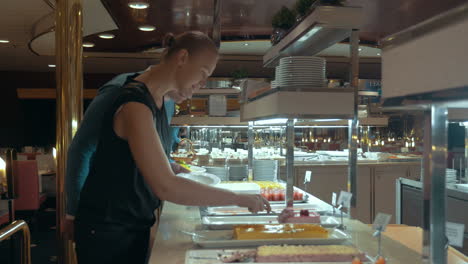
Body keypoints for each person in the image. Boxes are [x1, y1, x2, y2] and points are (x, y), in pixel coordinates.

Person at [71, 31, 271, 264]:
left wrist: (171, 166)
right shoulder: (134, 103)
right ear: (183, 58)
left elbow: (133, 159)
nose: (202, 83)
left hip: (129, 224)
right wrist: (238, 198)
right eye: (203, 73)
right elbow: (166, 187)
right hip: (107, 230)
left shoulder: (157, 101)